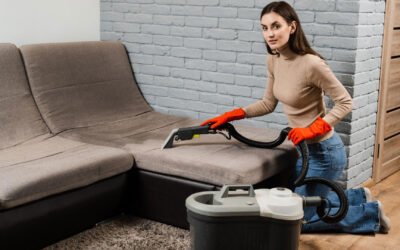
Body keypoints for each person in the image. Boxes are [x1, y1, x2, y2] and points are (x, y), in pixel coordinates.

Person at [201, 1, 390, 234]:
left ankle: (371, 214)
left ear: (292, 27)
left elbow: (345, 102)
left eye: (276, 26)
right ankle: (356, 196)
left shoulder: (311, 64)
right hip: (303, 151)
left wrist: (312, 129)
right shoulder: (274, 59)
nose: (269, 33)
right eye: (264, 27)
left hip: (325, 152)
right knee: (297, 206)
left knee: (297, 219)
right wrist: (233, 115)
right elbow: (268, 103)